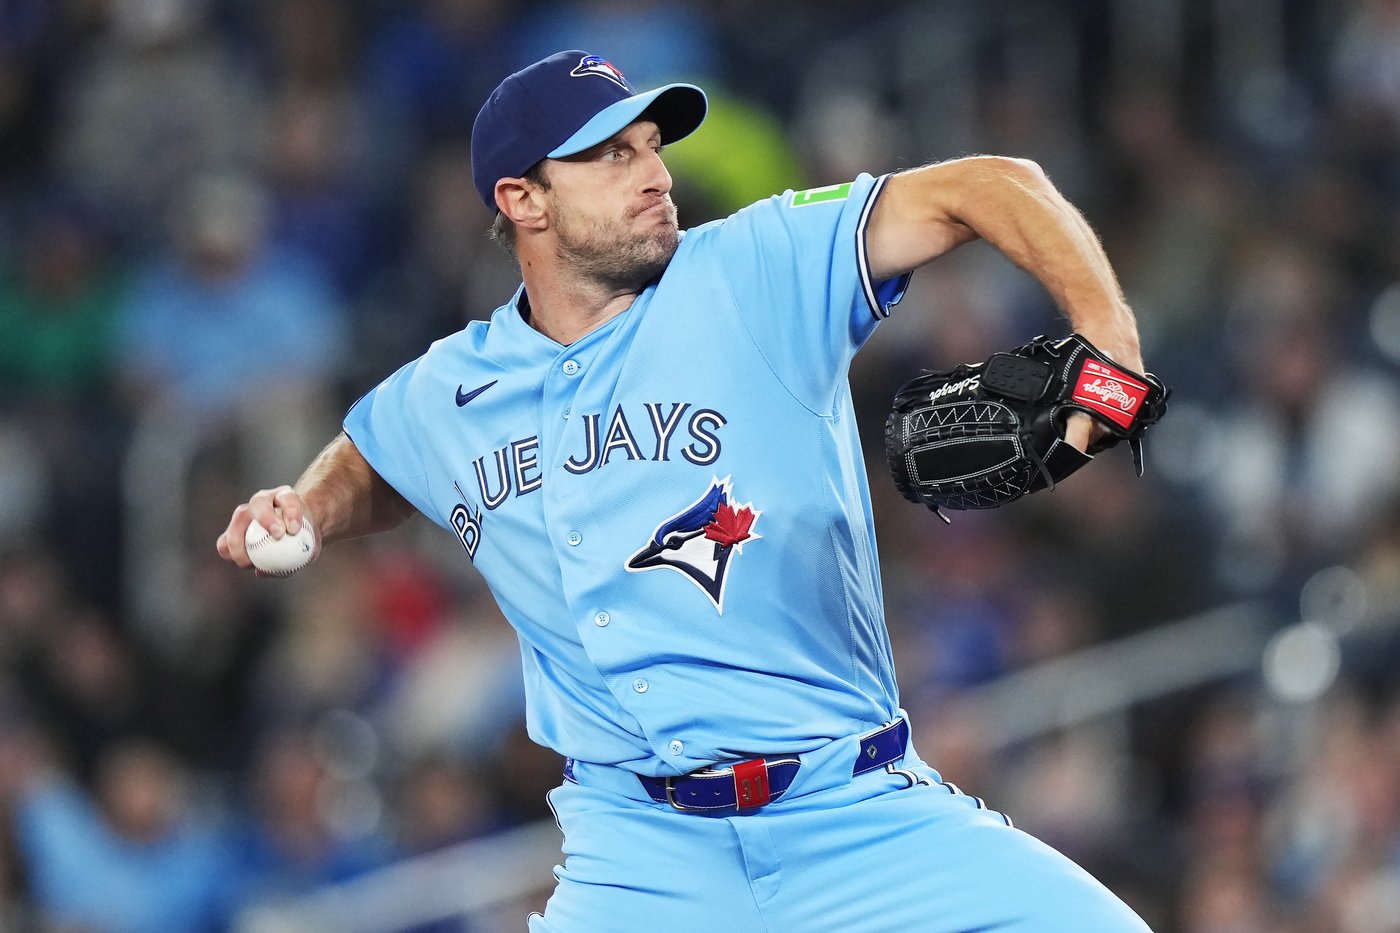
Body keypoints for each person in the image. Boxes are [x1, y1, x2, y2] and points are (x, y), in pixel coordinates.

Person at [218, 49, 1153, 931]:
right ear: (523, 198)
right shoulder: (451, 388)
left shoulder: (756, 268)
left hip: (857, 812)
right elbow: (374, 459)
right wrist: (304, 506)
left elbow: (991, 186)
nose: (655, 174)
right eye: (612, 156)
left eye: (653, 148)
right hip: (640, 853)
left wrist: (1106, 330)